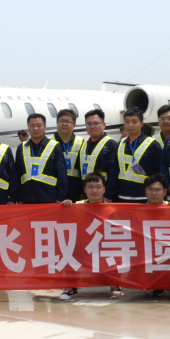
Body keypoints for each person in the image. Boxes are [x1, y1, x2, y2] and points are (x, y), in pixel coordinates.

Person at [60, 173, 120, 301]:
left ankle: (115, 284)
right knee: (68, 251)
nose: (94, 190)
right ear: (85, 189)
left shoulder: (111, 209)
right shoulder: (77, 205)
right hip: (82, 246)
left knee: (116, 250)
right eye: (90, 187)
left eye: (98, 187)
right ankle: (71, 286)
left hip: (104, 247)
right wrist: (66, 207)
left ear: (104, 189)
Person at [145, 174, 170, 302]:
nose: (154, 193)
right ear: (145, 191)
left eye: (158, 190)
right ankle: (159, 284)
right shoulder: (138, 209)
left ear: (165, 192)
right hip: (149, 247)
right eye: (151, 189)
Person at [12, 114, 69, 204]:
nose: (35, 128)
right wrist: (19, 199)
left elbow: (62, 175)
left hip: (49, 199)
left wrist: (60, 198)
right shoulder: (21, 148)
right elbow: (17, 175)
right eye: (32, 126)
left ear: (45, 127)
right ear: (28, 128)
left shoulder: (55, 147)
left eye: (39, 125)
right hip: (26, 200)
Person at [113, 109, 161, 203]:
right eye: (127, 122)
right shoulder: (119, 144)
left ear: (142, 124)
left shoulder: (152, 145)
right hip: (122, 196)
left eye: (134, 122)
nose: (130, 125)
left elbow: (159, 172)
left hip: (144, 197)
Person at [79, 110, 118, 201]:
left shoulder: (111, 144)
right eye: (89, 124)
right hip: (88, 194)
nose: (92, 127)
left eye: (96, 123)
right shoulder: (84, 144)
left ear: (104, 125)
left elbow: (113, 173)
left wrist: (108, 196)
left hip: (103, 196)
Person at [53, 108, 85, 201]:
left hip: (75, 192)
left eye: (68, 121)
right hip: (54, 192)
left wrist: (83, 192)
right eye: (62, 121)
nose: (64, 124)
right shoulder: (48, 142)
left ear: (74, 125)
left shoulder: (82, 143)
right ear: (57, 123)